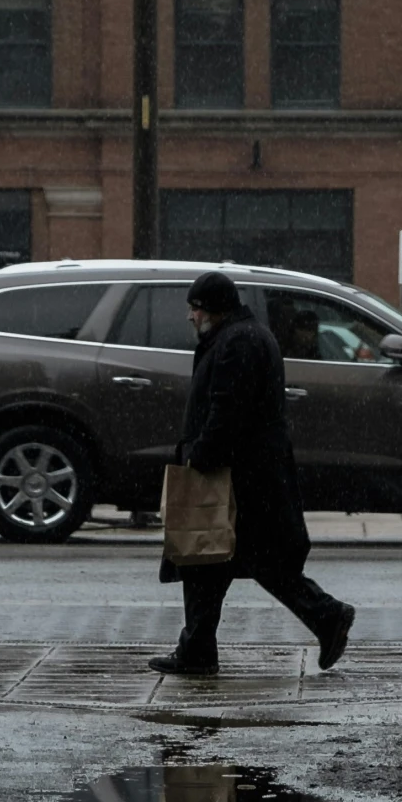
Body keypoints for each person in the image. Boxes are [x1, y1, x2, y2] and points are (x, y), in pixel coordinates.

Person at [151, 270, 355, 677]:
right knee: (212, 563)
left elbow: (228, 411)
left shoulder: (238, 342)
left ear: (213, 310)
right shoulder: (240, 336)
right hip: (248, 476)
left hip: (238, 479)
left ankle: (327, 615)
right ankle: (198, 650)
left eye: (195, 308)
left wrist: (202, 455)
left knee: (224, 560)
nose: (191, 317)